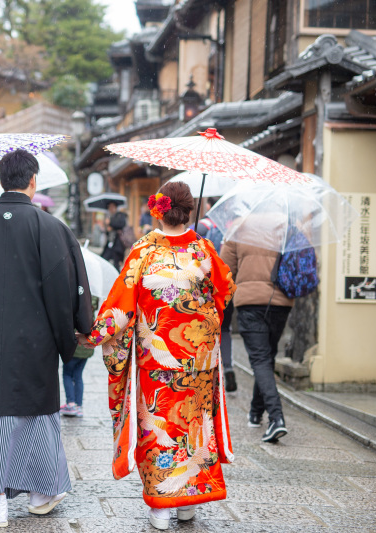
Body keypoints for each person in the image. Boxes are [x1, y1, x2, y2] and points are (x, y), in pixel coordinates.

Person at [0, 149, 94, 528]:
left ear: (1, 181)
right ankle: (42, 490)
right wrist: (73, 333)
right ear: (33, 181)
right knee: (36, 417)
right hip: (37, 342)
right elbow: (69, 290)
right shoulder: (53, 228)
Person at [78, 181, 236, 530]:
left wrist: (94, 335)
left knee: (160, 424)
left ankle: (161, 507)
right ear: (189, 210)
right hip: (198, 361)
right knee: (194, 425)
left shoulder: (144, 250)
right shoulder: (205, 251)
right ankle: (187, 503)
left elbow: (121, 306)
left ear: (159, 210)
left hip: (157, 364)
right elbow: (222, 297)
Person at [220, 231, 292, 444]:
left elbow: (224, 270)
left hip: (250, 301)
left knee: (260, 359)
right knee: (267, 356)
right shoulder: (286, 227)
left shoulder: (241, 228)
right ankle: (255, 411)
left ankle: (276, 418)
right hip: (281, 301)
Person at [195, 198, 237, 394]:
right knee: (225, 329)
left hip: (206, 288)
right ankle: (228, 367)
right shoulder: (235, 227)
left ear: (210, 205)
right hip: (228, 286)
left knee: (204, 328)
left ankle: (205, 370)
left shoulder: (203, 227)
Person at [61, 295, 100, 418]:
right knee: (78, 376)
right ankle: (78, 406)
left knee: (67, 374)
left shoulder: (75, 303)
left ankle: (70, 404)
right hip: (86, 350)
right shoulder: (92, 305)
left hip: (75, 348)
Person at [101, 202, 128, 269]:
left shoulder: (120, 215)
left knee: (116, 263)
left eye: (112, 207)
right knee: (104, 259)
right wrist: (108, 229)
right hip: (110, 243)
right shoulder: (109, 216)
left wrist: (110, 223)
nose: (111, 209)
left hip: (118, 244)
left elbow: (121, 224)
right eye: (110, 207)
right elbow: (107, 232)